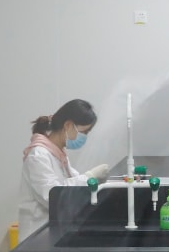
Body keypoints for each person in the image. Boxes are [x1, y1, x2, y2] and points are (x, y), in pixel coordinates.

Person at [18, 99, 110, 239]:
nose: (85, 137)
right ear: (68, 125)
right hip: (36, 235)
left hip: (52, 231)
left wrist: (95, 181)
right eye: (84, 132)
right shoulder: (38, 155)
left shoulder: (58, 154)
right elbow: (52, 195)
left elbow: (72, 181)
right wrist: (89, 176)